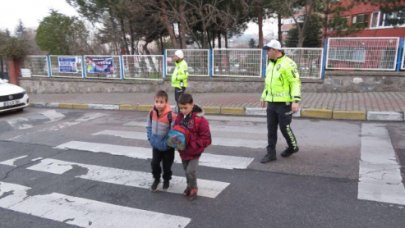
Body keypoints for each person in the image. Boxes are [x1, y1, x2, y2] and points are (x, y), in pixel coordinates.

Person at [260, 39, 301, 164]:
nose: (266, 52)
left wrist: (296, 100)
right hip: (272, 103)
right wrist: (264, 96)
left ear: (275, 50)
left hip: (285, 103)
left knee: (284, 128)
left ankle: (293, 146)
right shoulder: (270, 64)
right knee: (271, 129)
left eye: (268, 50)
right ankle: (271, 153)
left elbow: (295, 82)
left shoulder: (289, 63)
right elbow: (268, 83)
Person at [172, 93, 211, 200]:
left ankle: (194, 188)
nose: (183, 110)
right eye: (181, 108)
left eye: (185, 108)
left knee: (190, 171)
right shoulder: (180, 117)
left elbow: (206, 138)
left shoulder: (200, 120)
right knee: (186, 170)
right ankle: (189, 186)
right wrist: (175, 142)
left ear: (192, 105)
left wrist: (194, 145)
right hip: (183, 150)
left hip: (194, 151)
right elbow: (175, 130)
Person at [146, 90, 177, 191]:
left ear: (166, 102)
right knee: (154, 163)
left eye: (161, 102)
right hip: (156, 145)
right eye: (157, 101)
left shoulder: (171, 116)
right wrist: (150, 138)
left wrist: (167, 144)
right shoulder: (151, 113)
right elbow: (148, 126)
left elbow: (173, 132)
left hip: (167, 147)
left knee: (167, 166)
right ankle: (156, 179)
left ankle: (166, 180)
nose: (159, 104)